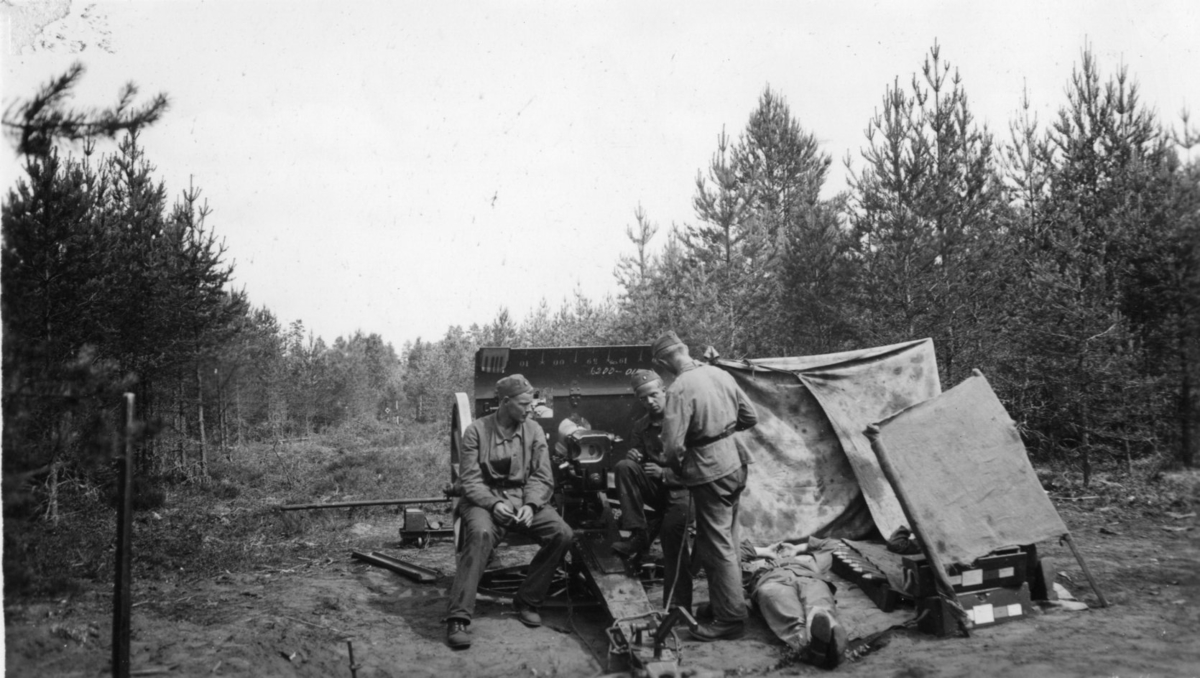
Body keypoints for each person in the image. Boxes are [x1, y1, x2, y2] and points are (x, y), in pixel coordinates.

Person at [445, 374, 574, 650]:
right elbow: (470, 481)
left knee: (562, 534)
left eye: (531, 403)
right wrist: (493, 504)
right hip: (483, 501)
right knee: (480, 533)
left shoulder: (534, 430)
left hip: (523, 499)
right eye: (524, 404)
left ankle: (527, 600)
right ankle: (458, 618)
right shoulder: (476, 431)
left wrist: (531, 505)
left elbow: (542, 476)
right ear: (505, 402)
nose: (530, 409)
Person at [655, 330, 758, 641]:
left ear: (663, 363)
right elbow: (750, 417)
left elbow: (672, 449)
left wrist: (680, 469)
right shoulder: (719, 373)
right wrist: (722, 431)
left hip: (710, 471)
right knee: (729, 539)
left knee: (716, 545)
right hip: (736, 462)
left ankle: (730, 619)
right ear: (685, 350)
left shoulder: (678, 388)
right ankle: (725, 602)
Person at [611, 369, 693, 611]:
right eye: (643, 398)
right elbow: (638, 458)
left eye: (654, 395)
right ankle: (638, 533)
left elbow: (699, 467)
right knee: (624, 467)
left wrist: (665, 474)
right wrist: (634, 455)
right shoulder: (641, 426)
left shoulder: (684, 420)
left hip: (686, 493)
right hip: (659, 493)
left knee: (671, 535)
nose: (649, 401)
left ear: (664, 391)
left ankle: (678, 608)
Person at [739, 538, 848, 669]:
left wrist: (797, 548)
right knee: (788, 613)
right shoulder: (755, 566)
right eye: (779, 549)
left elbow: (831, 544)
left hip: (810, 578)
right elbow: (730, 554)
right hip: (772, 582)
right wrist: (766, 551)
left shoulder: (811, 560)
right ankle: (819, 647)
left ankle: (825, 640)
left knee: (820, 610)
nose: (782, 550)